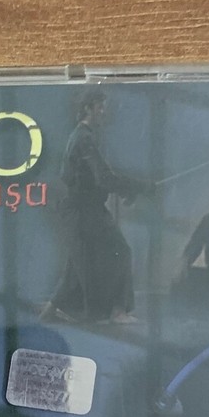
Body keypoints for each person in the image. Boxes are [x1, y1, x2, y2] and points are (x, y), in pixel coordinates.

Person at [42, 89, 140, 324]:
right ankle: (118, 312)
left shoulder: (84, 136)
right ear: (88, 108)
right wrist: (137, 187)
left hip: (85, 209)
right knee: (119, 251)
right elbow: (103, 177)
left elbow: (97, 178)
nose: (104, 112)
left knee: (78, 263)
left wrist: (127, 189)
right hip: (83, 210)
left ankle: (49, 312)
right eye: (100, 107)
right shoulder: (84, 138)